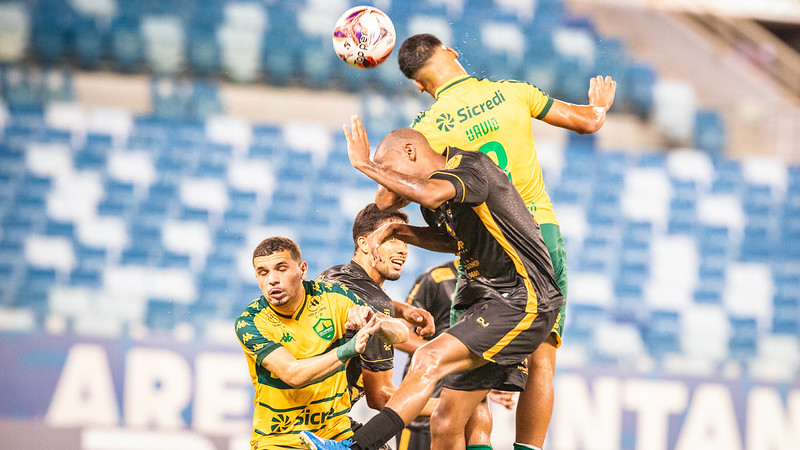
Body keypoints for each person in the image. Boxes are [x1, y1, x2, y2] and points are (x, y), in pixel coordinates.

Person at [380, 33, 618, 450]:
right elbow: (588, 122)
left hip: (481, 250)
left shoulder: (426, 127)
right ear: (451, 52)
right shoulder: (512, 92)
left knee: (469, 362)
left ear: (419, 84)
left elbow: (387, 198)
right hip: (539, 238)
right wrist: (599, 105)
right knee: (542, 360)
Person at [299, 117, 564, 450]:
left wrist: (367, 164)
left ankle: (357, 447)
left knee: (427, 358)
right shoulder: (434, 206)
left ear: (410, 151)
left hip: (521, 297)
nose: (387, 177)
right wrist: (400, 230)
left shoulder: (471, 167)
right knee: (448, 418)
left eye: (389, 166)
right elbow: (437, 232)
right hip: (486, 302)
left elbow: (427, 190)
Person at [235, 236, 409, 449]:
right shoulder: (251, 322)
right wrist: (347, 350)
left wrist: (374, 321)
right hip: (281, 441)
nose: (272, 279)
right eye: (263, 272)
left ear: (302, 270)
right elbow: (293, 374)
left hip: (337, 435)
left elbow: (401, 333)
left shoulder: (334, 297)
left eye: (281, 268)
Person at [317, 204, 437, 417]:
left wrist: (402, 309)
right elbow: (380, 396)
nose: (403, 249)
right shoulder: (376, 304)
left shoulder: (333, 275)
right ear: (364, 243)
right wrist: (450, 406)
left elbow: (357, 300)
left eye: (405, 240)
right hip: (324, 424)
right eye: (392, 239)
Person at [395, 259, 516, 450]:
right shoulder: (435, 278)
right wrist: (441, 355)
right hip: (421, 414)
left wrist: (490, 382)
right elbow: (401, 334)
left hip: (464, 412)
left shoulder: (494, 282)